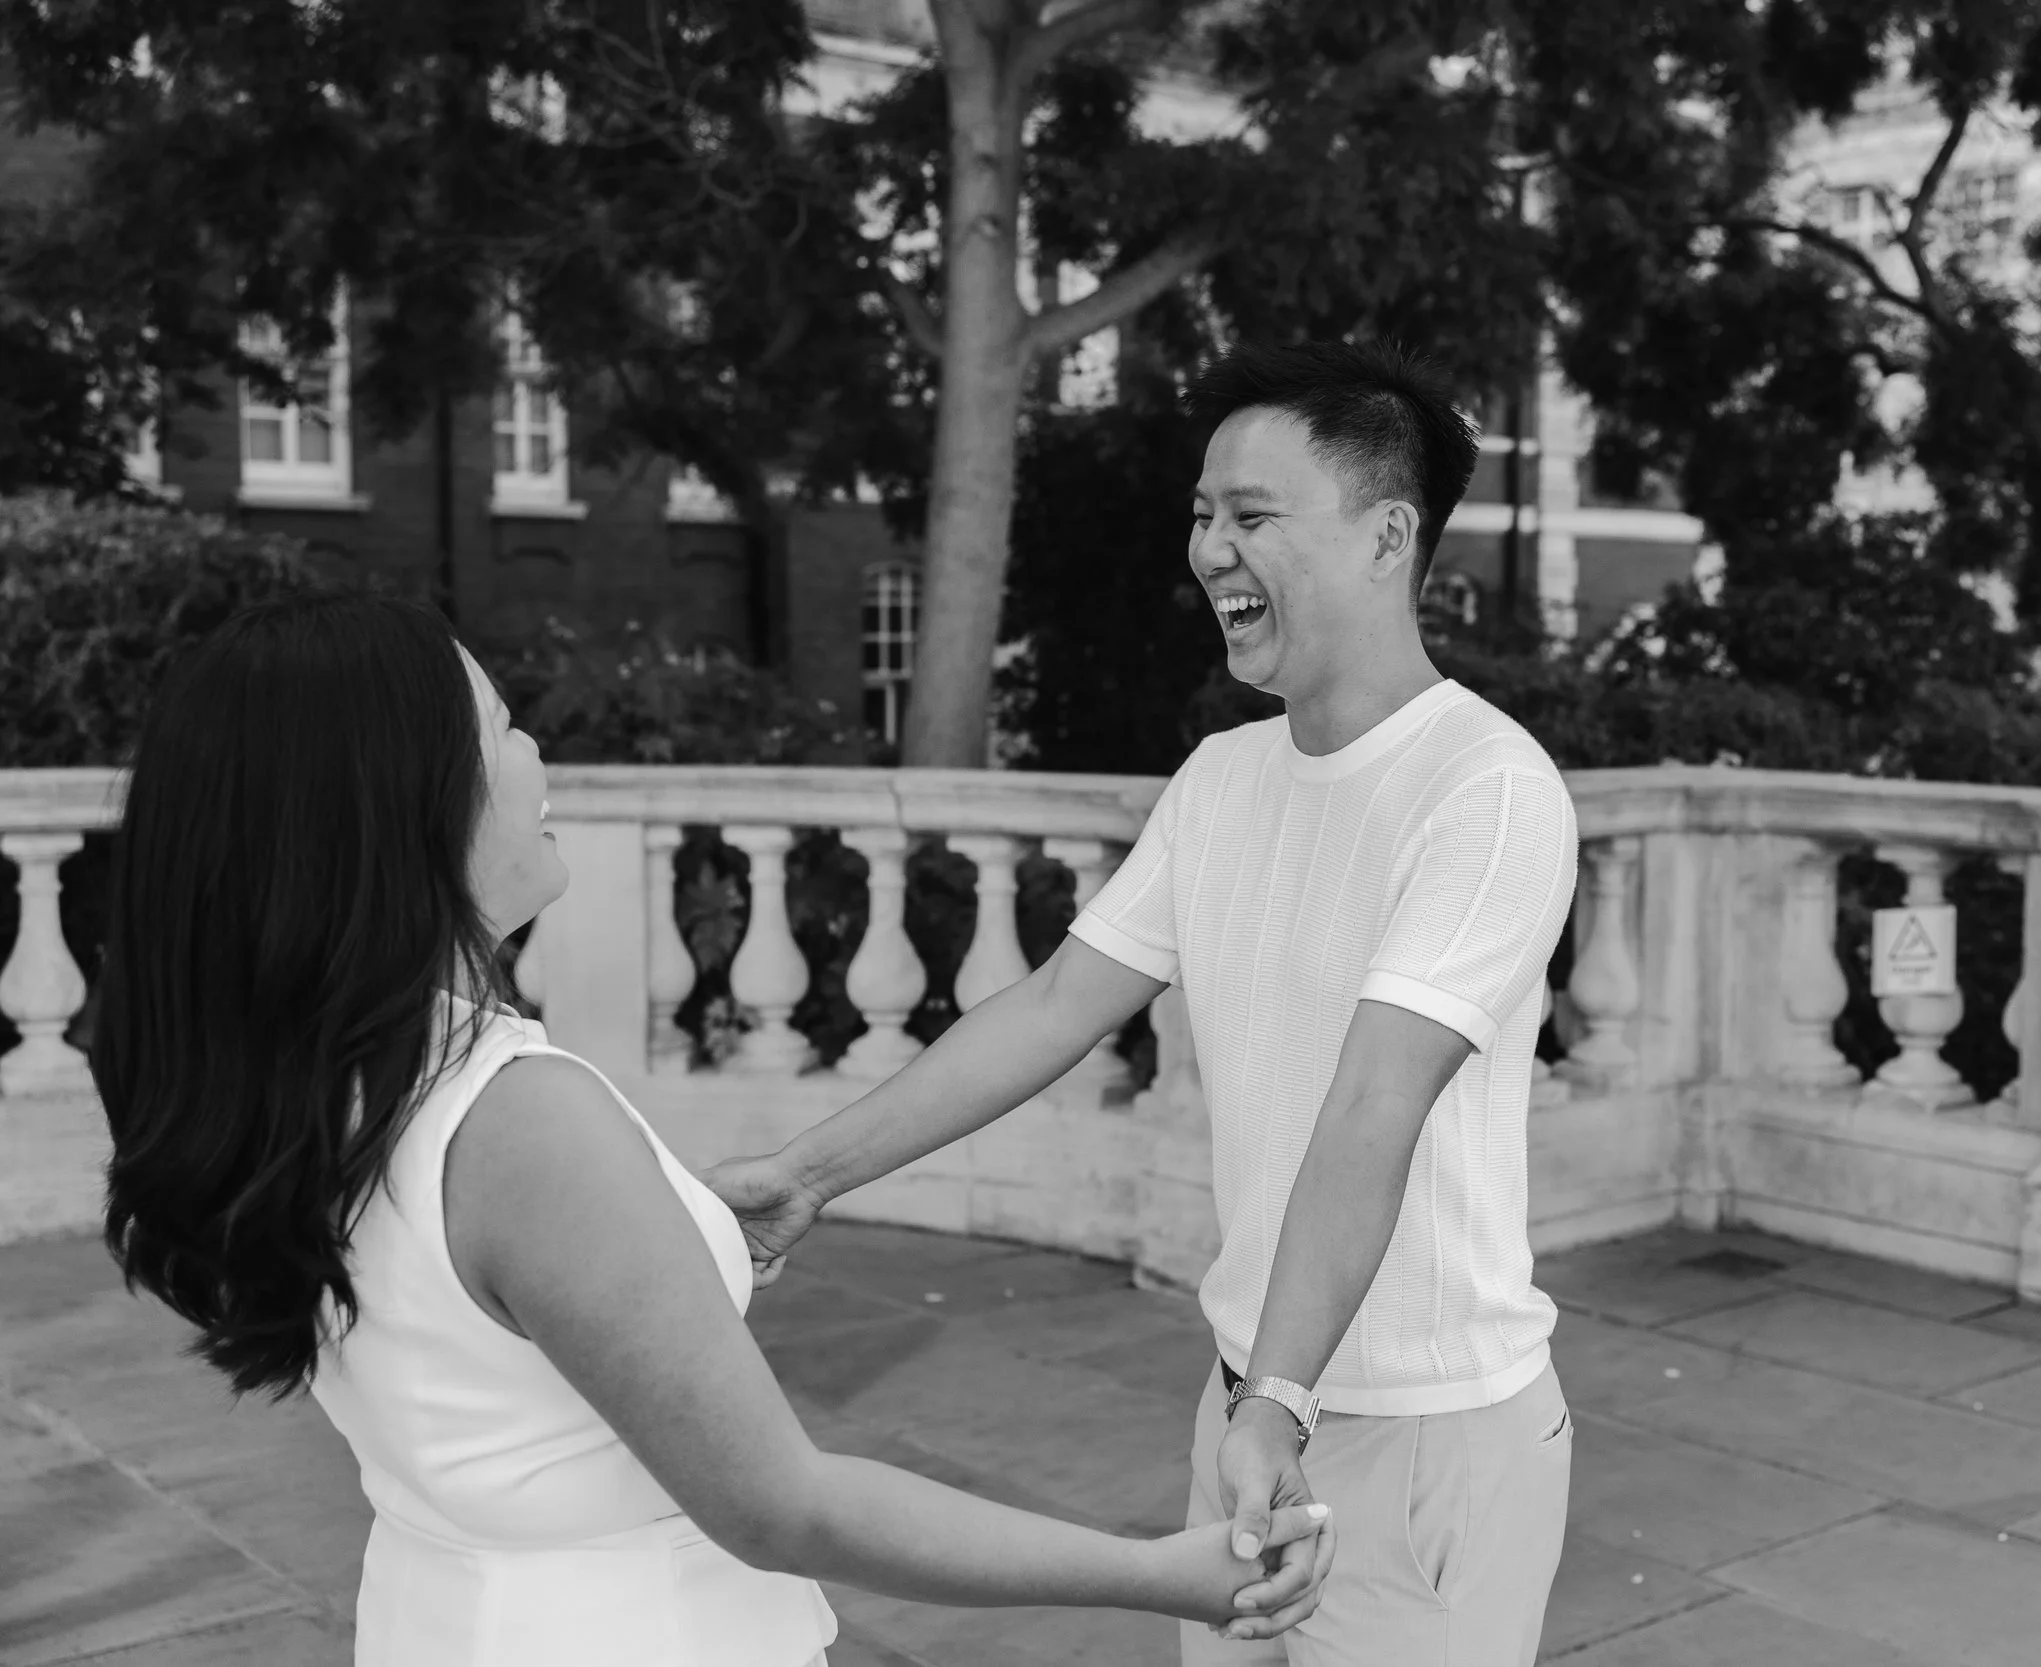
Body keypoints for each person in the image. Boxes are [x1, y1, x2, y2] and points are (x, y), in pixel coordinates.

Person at [91, 592, 1333, 1667]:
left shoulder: (319, 1079)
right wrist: (1157, 1571)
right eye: (499, 726)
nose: (534, 753)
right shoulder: (518, 1119)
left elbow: (490, 1335)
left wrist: (681, 1226)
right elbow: (783, 1504)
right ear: (401, 806)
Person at [709, 340, 1580, 1666]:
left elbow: (1373, 1101)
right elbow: (1056, 1003)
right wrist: (806, 1175)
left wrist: (1279, 1399)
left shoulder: (1486, 789)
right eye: (1202, 513)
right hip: (1246, 1405)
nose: (1210, 549)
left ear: (1388, 535)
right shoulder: (1223, 777)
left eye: (1253, 515)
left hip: (1422, 1433)